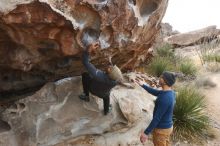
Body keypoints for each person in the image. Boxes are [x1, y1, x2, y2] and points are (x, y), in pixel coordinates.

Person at [78, 28, 133, 115]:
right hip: (103, 94)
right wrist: (110, 60)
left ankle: (86, 96)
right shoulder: (115, 81)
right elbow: (115, 73)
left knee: (85, 75)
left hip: (93, 89)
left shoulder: (99, 76)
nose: (109, 67)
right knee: (107, 97)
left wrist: (88, 50)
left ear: (109, 73)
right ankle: (106, 111)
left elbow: (86, 62)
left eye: (110, 68)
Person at [135, 71, 176, 146]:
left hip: (161, 130)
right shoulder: (170, 93)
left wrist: (146, 133)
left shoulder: (165, 98)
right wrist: (143, 85)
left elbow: (157, 118)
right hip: (168, 127)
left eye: (161, 77)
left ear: (165, 81)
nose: (159, 79)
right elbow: (155, 92)